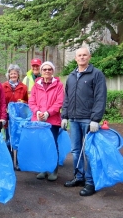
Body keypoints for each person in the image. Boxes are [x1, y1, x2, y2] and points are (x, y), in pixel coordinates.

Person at [61, 47, 107, 196]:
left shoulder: (96, 74)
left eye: (84, 55)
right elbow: (67, 98)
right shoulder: (71, 76)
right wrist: (65, 116)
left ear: (89, 57)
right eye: (79, 55)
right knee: (75, 151)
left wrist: (95, 119)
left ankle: (90, 182)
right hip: (73, 119)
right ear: (75, 58)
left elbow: (100, 98)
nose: (82, 57)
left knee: (89, 152)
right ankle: (78, 177)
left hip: (88, 120)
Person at [28, 61, 64, 181]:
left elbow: (59, 102)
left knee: (52, 145)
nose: (47, 71)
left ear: (53, 71)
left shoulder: (59, 85)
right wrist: (37, 112)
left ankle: (53, 169)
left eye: (49, 69)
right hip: (38, 120)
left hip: (52, 120)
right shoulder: (36, 85)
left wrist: (48, 113)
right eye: (45, 69)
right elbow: (31, 101)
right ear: (41, 71)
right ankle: (43, 168)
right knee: (41, 145)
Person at [2, 64, 28, 169]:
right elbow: (2, 101)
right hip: (8, 117)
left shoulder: (23, 87)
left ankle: (18, 162)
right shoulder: (3, 86)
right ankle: (10, 162)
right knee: (9, 139)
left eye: (15, 73)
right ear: (8, 75)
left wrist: (23, 102)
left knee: (19, 140)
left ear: (18, 75)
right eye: (11, 73)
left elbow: (27, 102)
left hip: (19, 118)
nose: (13, 75)